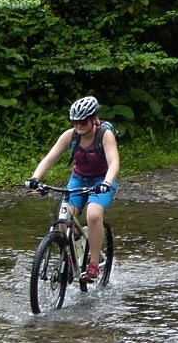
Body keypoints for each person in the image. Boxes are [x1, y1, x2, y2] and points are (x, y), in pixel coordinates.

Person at [24, 95, 120, 285]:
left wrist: (107, 182)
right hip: (78, 179)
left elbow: (114, 162)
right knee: (63, 217)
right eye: (75, 122)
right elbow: (49, 158)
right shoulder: (70, 136)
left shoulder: (104, 135)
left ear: (93, 119)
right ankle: (70, 258)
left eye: (83, 121)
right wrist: (35, 178)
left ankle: (93, 264)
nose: (78, 126)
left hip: (102, 180)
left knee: (93, 215)